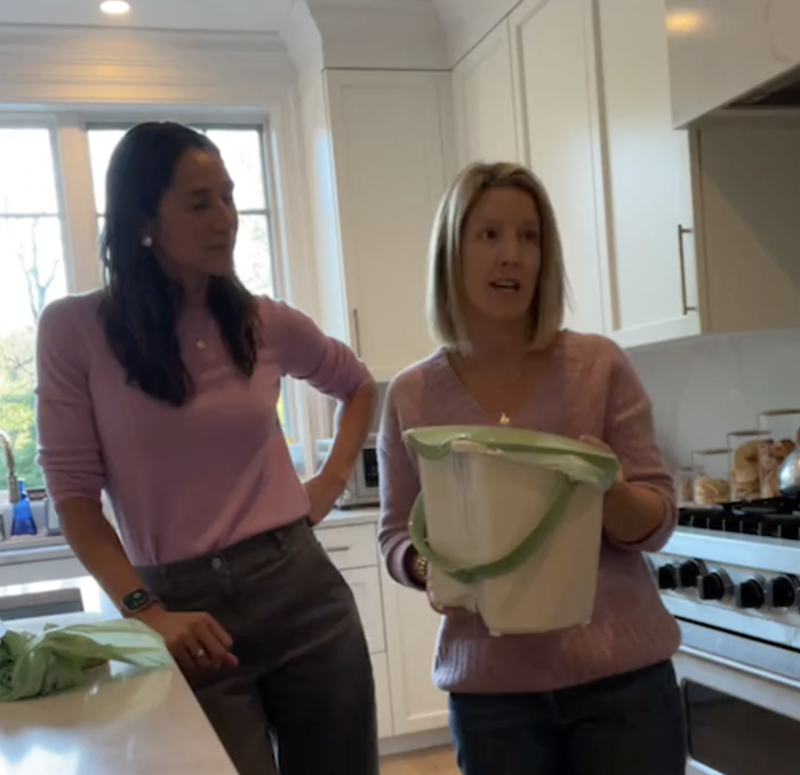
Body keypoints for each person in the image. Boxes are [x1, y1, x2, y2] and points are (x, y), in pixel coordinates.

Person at [36, 122, 379, 775]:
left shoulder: (261, 319)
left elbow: (357, 384)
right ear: (143, 219)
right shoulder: (74, 331)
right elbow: (75, 499)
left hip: (300, 589)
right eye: (200, 203)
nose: (227, 218)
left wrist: (328, 484)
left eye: (228, 197)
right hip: (184, 618)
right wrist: (149, 610)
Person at [378, 162, 686, 775]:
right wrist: (432, 568)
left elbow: (656, 518)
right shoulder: (412, 396)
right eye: (489, 235)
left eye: (529, 236)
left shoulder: (598, 366)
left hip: (621, 683)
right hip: (493, 696)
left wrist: (600, 485)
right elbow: (395, 537)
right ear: (452, 252)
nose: (512, 256)